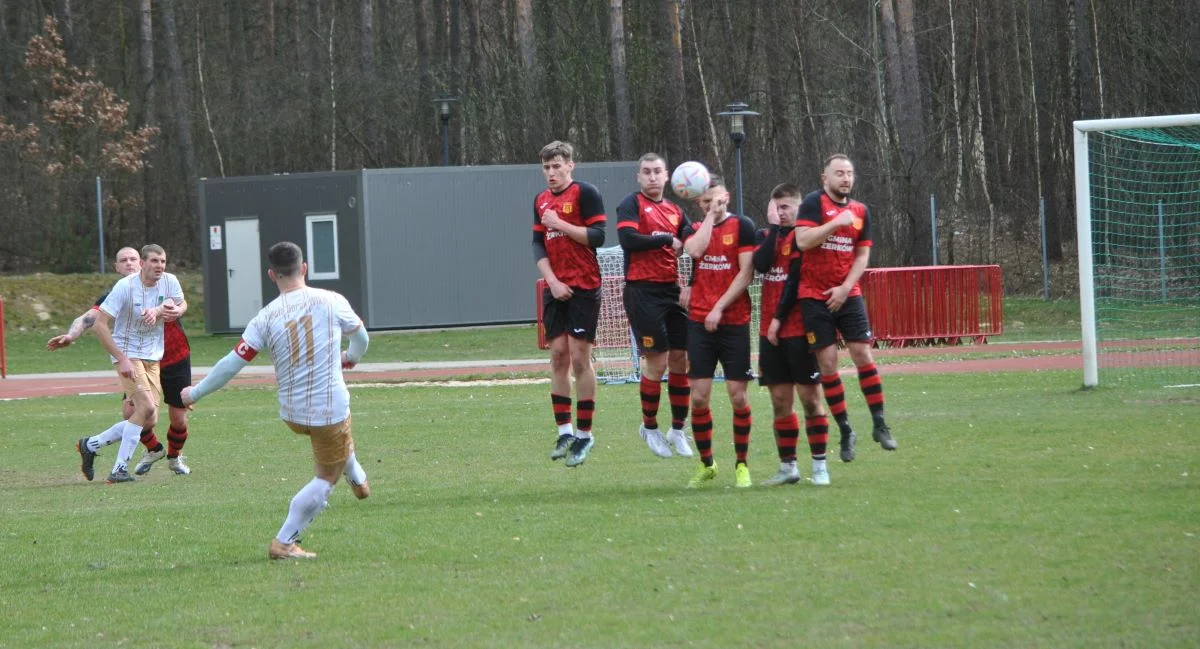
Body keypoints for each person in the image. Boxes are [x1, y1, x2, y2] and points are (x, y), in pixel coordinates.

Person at [181, 241, 371, 561]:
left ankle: (359, 480)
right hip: (328, 408)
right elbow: (361, 337)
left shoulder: (266, 317)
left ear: (272, 275)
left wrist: (195, 392)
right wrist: (351, 358)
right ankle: (284, 542)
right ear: (304, 268)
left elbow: (232, 363)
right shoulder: (331, 300)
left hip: (292, 413)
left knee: (337, 442)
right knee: (326, 475)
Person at [48, 246, 195, 477]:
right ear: (117, 267)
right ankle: (131, 462)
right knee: (135, 412)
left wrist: (175, 310)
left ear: (141, 263)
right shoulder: (121, 290)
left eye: (132, 259)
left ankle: (172, 458)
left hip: (172, 357)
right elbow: (89, 318)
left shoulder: (165, 281)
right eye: (123, 260)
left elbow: (180, 302)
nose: (128, 263)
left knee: (174, 418)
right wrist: (71, 335)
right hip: (132, 356)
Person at [789, 154, 898, 461]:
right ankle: (846, 430)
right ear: (825, 178)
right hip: (813, 296)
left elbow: (862, 256)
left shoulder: (862, 210)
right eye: (839, 173)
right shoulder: (812, 203)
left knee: (863, 354)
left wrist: (845, 288)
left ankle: (879, 423)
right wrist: (835, 223)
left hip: (848, 293)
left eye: (849, 173)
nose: (846, 178)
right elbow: (803, 241)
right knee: (827, 365)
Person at [531, 140, 607, 467]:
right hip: (556, 285)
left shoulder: (585, 193)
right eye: (547, 167)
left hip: (584, 285)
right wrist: (552, 281)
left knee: (579, 358)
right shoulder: (540, 200)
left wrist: (560, 224)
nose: (551, 172)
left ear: (570, 166)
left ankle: (586, 435)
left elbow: (599, 236)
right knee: (558, 356)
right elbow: (538, 245)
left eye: (557, 166)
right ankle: (565, 430)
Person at [680, 175, 757, 488]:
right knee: (698, 398)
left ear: (727, 194)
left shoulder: (744, 226)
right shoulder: (695, 228)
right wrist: (710, 218)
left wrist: (719, 308)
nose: (715, 204)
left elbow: (745, 274)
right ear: (699, 203)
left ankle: (742, 465)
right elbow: (694, 252)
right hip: (699, 323)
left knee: (738, 397)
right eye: (707, 201)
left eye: (718, 198)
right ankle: (707, 464)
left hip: (733, 322)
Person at [615, 153, 693, 459]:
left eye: (657, 171)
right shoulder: (631, 204)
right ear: (639, 176)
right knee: (657, 361)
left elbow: (690, 239)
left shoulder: (675, 210)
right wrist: (664, 238)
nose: (651, 177)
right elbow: (628, 239)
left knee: (680, 359)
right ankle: (649, 427)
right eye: (646, 172)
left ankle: (677, 429)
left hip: (670, 291)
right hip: (642, 291)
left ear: (667, 176)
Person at [753, 184, 830, 486]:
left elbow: (794, 283)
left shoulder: (805, 238)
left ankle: (820, 465)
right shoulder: (765, 236)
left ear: (798, 207)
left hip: (799, 329)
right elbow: (761, 265)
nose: (781, 212)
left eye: (786, 207)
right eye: (777, 207)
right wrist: (773, 228)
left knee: (811, 399)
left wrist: (777, 319)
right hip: (769, 334)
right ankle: (788, 466)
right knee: (780, 401)